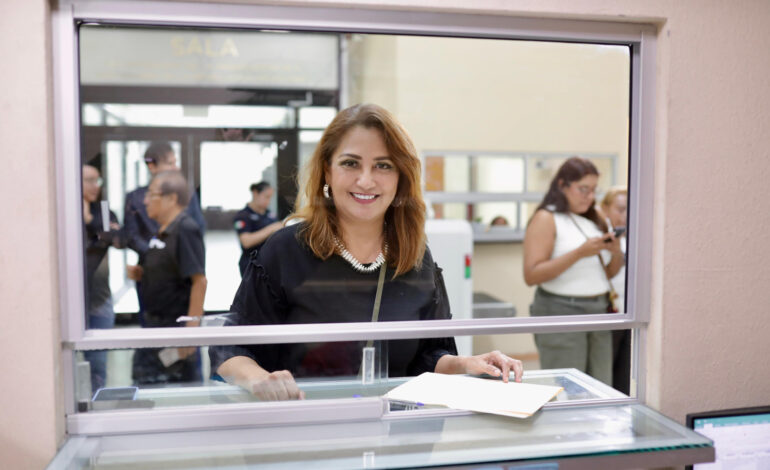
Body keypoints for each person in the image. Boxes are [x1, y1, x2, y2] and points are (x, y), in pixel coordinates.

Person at [210, 104, 523, 401]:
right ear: (327, 172)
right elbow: (230, 349)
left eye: (383, 166)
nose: (365, 180)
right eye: (350, 163)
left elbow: (428, 356)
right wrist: (257, 379)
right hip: (304, 431)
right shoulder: (285, 250)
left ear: (401, 178)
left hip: (391, 434)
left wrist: (469, 364)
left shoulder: (415, 257)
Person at [522, 157, 624, 386]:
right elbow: (531, 275)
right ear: (562, 186)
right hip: (561, 310)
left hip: (598, 310)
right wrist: (579, 253)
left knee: (601, 384)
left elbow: (606, 274)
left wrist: (616, 252)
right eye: (583, 190)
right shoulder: (546, 218)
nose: (589, 197)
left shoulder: (593, 218)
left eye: (594, 191)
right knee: (569, 388)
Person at [127, 170, 207, 385]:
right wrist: (142, 273)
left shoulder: (186, 229)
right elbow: (169, 268)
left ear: (171, 198)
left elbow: (199, 281)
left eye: (151, 194)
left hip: (174, 330)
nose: (145, 201)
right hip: (154, 328)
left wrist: (190, 334)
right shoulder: (162, 230)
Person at [124, 142, 206, 326]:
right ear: (151, 166)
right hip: (152, 277)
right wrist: (153, 261)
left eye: (175, 162)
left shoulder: (185, 224)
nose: (175, 168)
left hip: (176, 294)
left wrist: (192, 330)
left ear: (172, 199)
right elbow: (132, 235)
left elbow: (199, 280)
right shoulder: (137, 198)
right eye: (170, 163)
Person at [82, 164, 125, 392]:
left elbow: (116, 238)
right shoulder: (62, 209)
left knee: (97, 365)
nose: (94, 186)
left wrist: (89, 219)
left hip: (99, 299)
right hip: (72, 301)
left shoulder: (104, 210)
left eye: (97, 181)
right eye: (88, 180)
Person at [600, 186, 630, 394]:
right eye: (620, 209)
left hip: (631, 315)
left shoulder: (640, 238)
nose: (626, 215)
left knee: (626, 376)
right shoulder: (600, 239)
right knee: (603, 375)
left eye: (630, 209)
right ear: (605, 209)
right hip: (608, 314)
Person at [233, 182, 283, 276]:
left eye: (270, 198)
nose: (268, 201)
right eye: (266, 197)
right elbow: (246, 242)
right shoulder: (243, 215)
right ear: (255, 193)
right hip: (251, 264)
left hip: (271, 264)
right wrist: (271, 229)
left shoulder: (270, 215)